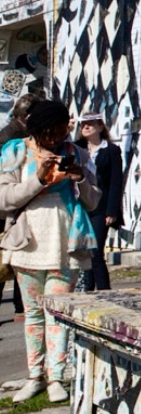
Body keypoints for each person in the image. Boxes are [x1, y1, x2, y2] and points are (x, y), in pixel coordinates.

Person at [0, 101, 100, 403]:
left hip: (65, 244)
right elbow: (5, 199)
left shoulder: (76, 153)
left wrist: (80, 178)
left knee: (56, 314)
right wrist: (39, 179)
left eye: (60, 133)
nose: (55, 140)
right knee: (32, 314)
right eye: (48, 133)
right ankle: (35, 376)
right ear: (36, 129)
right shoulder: (15, 152)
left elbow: (94, 202)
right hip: (26, 243)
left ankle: (56, 377)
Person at [0, 92, 40, 322]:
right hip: (9, 204)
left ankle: (20, 306)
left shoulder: (17, 134)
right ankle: (20, 306)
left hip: (13, 203)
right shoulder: (12, 139)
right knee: (11, 257)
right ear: (26, 116)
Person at [74, 112, 124, 291]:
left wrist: (112, 211)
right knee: (83, 251)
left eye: (90, 124)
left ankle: (104, 290)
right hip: (80, 205)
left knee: (95, 251)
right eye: (83, 125)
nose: (85, 127)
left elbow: (116, 181)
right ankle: (87, 288)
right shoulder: (76, 148)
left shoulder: (110, 150)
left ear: (100, 127)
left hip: (100, 208)